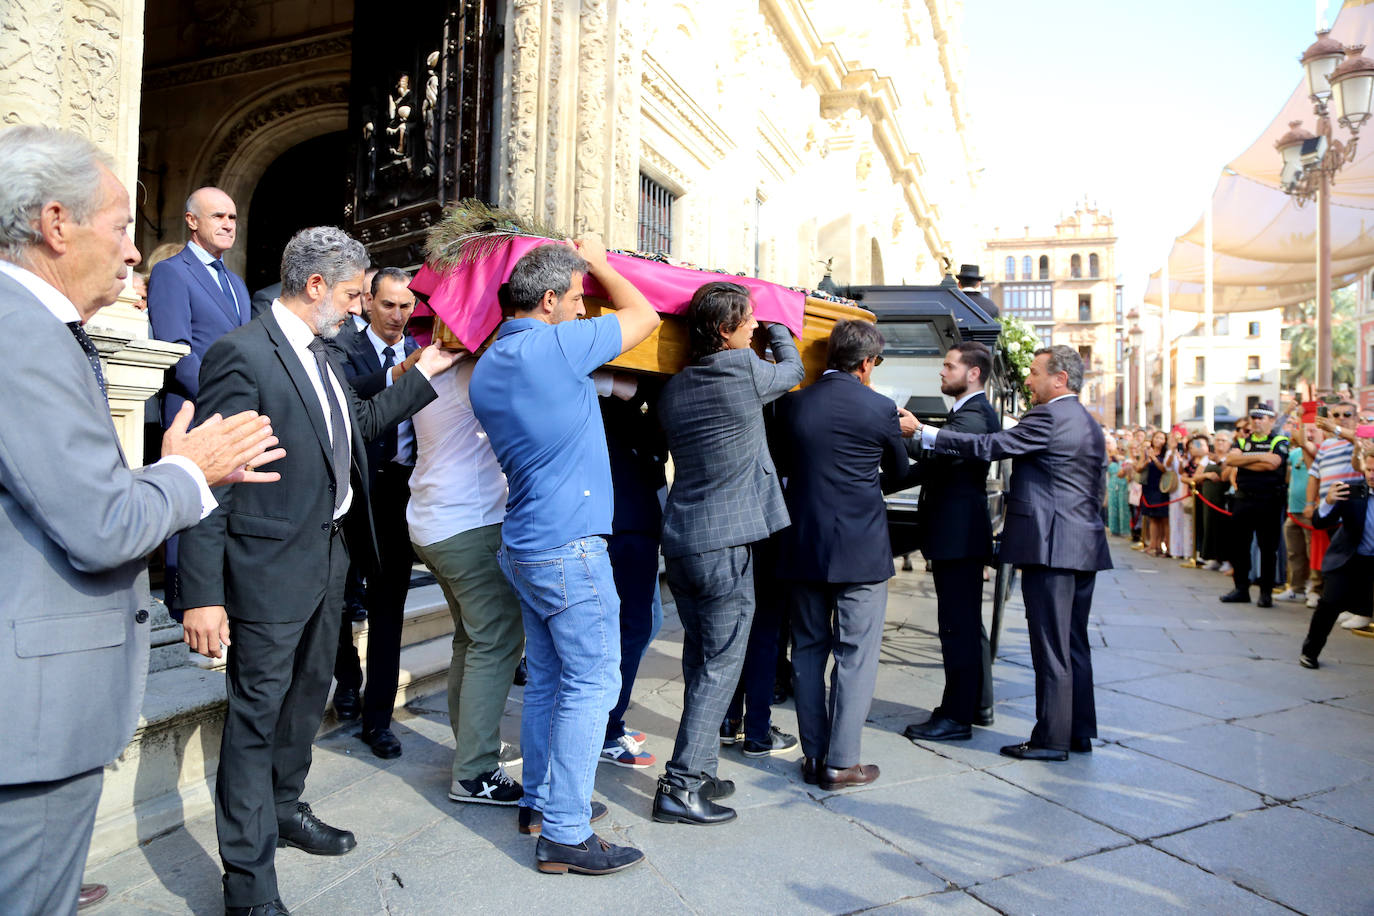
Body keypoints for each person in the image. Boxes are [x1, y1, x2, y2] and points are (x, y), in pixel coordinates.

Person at [0, 125, 282, 916]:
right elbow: (101, 525)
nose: (133, 254)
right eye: (121, 226)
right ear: (56, 224)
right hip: (33, 714)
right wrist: (193, 471)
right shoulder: (21, 332)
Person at [178, 227, 458, 915]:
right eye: (356, 294)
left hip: (329, 558)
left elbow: (358, 423)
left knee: (308, 698)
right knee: (256, 717)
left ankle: (285, 807)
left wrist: (430, 370)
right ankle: (246, 883)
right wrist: (202, 593)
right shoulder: (240, 355)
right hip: (266, 567)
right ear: (314, 287)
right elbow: (211, 479)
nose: (363, 308)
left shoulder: (324, 353)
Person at [468, 237, 659, 875]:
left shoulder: (493, 358)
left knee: (550, 680)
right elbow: (646, 319)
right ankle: (567, 833)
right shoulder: (551, 346)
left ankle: (544, 801)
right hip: (567, 546)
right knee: (592, 682)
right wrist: (603, 264)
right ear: (548, 301)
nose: (584, 311)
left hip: (526, 541)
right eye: (577, 301)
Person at [908, 345, 1110, 761]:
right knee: (1073, 643)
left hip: (1051, 547)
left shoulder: (1050, 416)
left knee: (1050, 646)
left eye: (1035, 373)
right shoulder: (1085, 421)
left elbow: (990, 446)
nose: (1028, 381)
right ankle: (1077, 730)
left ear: (1061, 380)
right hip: (1082, 545)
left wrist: (923, 433)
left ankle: (1051, 739)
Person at [653, 280, 804, 825]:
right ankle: (681, 784)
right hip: (724, 543)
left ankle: (704, 768)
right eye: (749, 322)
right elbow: (793, 372)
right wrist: (784, 325)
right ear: (725, 330)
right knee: (721, 664)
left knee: (701, 658)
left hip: (686, 541)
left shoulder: (672, 388)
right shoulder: (740, 370)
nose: (756, 328)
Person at [776, 320, 909, 788]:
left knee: (807, 651)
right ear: (867, 363)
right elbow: (897, 473)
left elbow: (783, 465)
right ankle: (842, 762)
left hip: (804, 542)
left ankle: (813, 756)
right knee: (856, 654)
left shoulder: (793, 404)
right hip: (861, 547)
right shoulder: (881, 408)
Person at [409, 350, 527, 807]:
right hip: (467, 525)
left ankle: (474, 746)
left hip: (434, 520)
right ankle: (475, 771)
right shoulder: (469, 372)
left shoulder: (430, 363)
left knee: (472, 640)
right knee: (496, 641)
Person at [331, 266, 429, 759]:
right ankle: (346, 677)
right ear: (368, 301)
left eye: (406, 306)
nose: (396, 315)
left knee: (389, 611)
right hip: (351, 493)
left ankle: (378, 719)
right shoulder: (342, 349)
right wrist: (398, 373)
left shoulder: (425, 353)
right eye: (388, 304)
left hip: (400, 495)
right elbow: (349, 399)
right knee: (333, 602)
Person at [147, 187, 253, 616]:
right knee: (188, 503)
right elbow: (176, 351)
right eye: (218, 216)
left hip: (232, 414)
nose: (228, 224)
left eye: (232, 217)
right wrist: (223, 396)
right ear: (192, 221)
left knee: (222, 510)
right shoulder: (173, 272)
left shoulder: (237, 282)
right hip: (193, 411)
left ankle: (213, 596)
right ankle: (179, 599)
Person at [900, 341, 999, 744]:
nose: (941, 372)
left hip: (959, 539)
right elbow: (933, 465)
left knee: (957, 628)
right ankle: (976, 704)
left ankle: (956, 716)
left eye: (948, 365)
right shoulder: (964, 413)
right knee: (964, 626)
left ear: (972, 373)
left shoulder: (977, 414)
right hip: (956, 537)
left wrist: (908, 432)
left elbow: (939, 454)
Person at [597, 376, 669, 769]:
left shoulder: (639, 389)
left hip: (634, 515)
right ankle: (605, 727)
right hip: (624, 519)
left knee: (646, 622)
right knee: (632, 626)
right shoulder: (616, 389)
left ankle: (609, 715)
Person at [1301, 456, 1374, 667]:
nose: (1371, 475)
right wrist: (1328, 502)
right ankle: (1310, 652)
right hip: (1350, 557)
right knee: (1329, 603)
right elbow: (1320, 522)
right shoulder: (1350, 490)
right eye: (1368, 469)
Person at [1219, 405, 1290, 607]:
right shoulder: (1242, 440)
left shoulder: (1279, 440)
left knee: (1268, 548)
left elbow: (1273, 464)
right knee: (1239, 546)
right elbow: (1231, 460)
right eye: (1254, 417)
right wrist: (1260, 457)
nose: (1257, 421)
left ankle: (1265, 592)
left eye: (1262, 417)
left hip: (1269, 500)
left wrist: (1244, 461)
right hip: (1243, 499)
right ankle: (1241, 589)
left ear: (1271, 420)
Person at [1306, 404, 1363, 616]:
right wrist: (1310, 504)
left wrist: (1335, 428)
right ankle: (1340, 603)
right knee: (1334, 560)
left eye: (1347, 414)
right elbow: (1314, 475)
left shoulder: (1359, 438)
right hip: (1328, 507)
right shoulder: (1328, 444)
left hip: (1351, 507)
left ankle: (1353, 606)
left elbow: (1360, 441)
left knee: (1352, 560)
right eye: (1336, 415)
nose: (1341, 418)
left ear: (1356, 418)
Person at [1280, 422, 1313, 601]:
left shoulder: (1316, 452)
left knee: (1312, 551)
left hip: (1309, 510)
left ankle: (1314, 589)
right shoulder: (1293, 454)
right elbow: (1288, 478)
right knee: (1294, 552)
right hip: (1293, 510)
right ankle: (1296, 587)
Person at [1140, 431, 1171, 557]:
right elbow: (1138, 467)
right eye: (1156, 437)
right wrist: (1147, 460)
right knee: (1152, 517)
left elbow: (1164, 469)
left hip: (1162, 486)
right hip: (1149, 486)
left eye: (1162, 438)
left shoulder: (1166, 453)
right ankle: (1153, 544)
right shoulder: (1147, 451)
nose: (1159, 440)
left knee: (1163, 518)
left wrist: (1154, 459)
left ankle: (1166, 546)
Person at [1106, 435, 1130, 537]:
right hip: (1112, 484)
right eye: (1118, 448)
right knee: (1113, 507)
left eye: (1123, 449)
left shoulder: (1127, 458)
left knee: (1123, 507)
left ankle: (1124, 529)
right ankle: (1114, 529)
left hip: (1123, 484)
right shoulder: (1112, 456)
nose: (1120, 450)